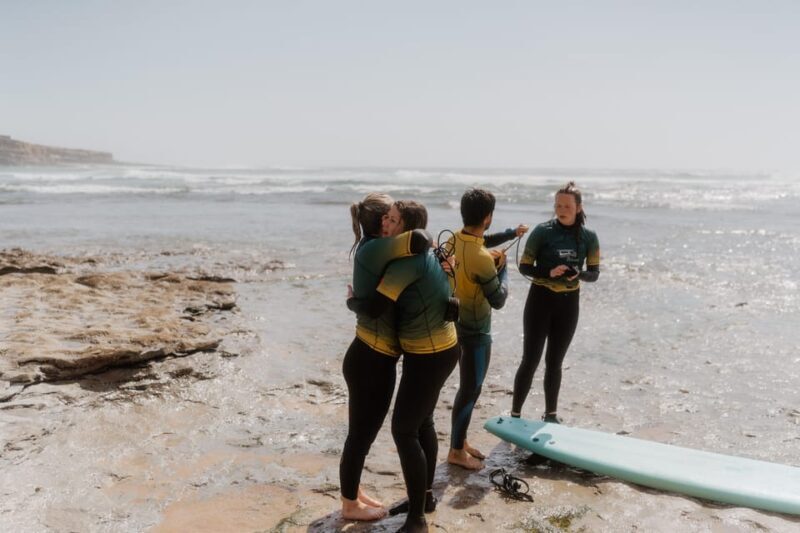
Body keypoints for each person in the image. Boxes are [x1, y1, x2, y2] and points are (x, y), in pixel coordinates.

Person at [348, 200, 458, 533]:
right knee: (422, 422)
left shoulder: (404, 265)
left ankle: (417, 521)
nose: (387, 225)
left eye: (393, 220)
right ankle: (423, 498)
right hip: (440, 349)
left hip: (429, 354)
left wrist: (351, 300)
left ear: (405, 228)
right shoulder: (431, 256)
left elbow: (376, 308)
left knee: (404, 430)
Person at [340, 193, 431, 521]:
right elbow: (420, 240)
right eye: (390, 216)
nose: (393, 220)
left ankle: (353, 491)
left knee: (361, 434)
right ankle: (349, 504)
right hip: (371, 360)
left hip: (369, 356)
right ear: (382, 222)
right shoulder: (378, 247)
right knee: (360, 435)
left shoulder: (372, 247)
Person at [446, 188, 528, 470]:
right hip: (477, 333)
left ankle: (460, 441)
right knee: (471, 389)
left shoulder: (453, 240)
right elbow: (499, 299)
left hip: (453, 327)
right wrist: (502, 267)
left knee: (465, 389)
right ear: (488, 217)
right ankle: (456, 451)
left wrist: (511, 234)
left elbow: (481, 241)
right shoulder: (483, 258)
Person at [511, 181, 600, 423]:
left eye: (567, 206)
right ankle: (515, 414)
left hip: (569, 304)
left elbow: (594, 273)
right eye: (558, 205)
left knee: (555, 362)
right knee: (530, 360)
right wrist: (549, 271)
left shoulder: (589, 237)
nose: (561, 209)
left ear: (579, 207)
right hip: (540, 301)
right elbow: (524, 266)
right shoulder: (542, 231)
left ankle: (550, 415)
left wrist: (578, 274)